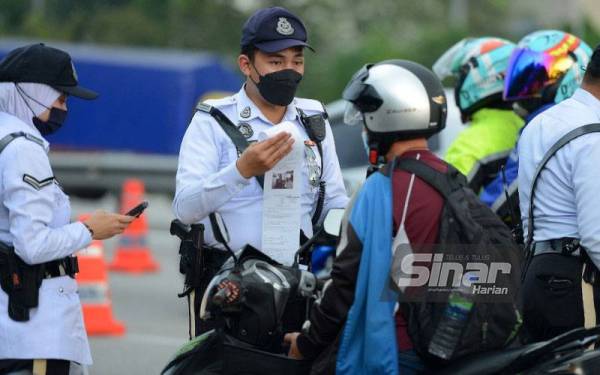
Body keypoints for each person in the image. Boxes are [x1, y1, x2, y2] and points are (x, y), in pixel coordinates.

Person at [285, 60, 448, 374]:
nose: (362, 128)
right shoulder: (451, 179)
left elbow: (344, 283)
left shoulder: (379, 190)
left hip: (392, 350)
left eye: (365, 119)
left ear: (386, 116)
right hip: (445, 346)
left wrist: (305, 344)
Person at [172, 6, 348, 263]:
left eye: (297, 61)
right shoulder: (214, 120)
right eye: (276, 62)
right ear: (246, 64)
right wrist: (241, 170)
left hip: (298, 277)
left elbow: (333, 200)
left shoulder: (313, 119)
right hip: (229, 280)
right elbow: (185, 209)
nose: (289, 70)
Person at [0, 44, 134, 374]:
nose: (64, 108)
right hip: (31, 332)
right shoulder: (22, 149)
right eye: (60, 98)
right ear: (32, 92)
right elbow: (33, 245)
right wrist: (90, 230)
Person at [518, 44, 600, 341]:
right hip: (578, 286)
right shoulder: (593, 135)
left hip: (536, 276)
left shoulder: (541, 123)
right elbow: (596, 235)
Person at [479, 30, 591, 232]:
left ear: (572, 76)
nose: (529, 85)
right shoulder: (580, 119)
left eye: (539, 79)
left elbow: (503, 195)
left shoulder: (546, 124)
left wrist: (471, 223)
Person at [433, 37, 524, 192]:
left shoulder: (472, 143)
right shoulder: (530, 124)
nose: (457, 86)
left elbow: (445, 204)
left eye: (460, 77)